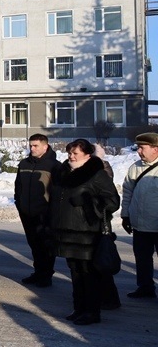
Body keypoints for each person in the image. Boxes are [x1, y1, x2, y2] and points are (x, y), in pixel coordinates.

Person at [51, 139, 121, 325]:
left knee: (88, 274)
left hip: (88, 233)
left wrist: (88, 202)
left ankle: (92, 312)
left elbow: (112, 201)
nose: (71, 156)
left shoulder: (96, 174)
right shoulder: (63, 172)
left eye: (75, 153)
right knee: (75, 272)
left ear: (87, 155)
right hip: (67, 233)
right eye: (69, 153)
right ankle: (79, 308)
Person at [13, 134, 61, 287]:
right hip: (27, 212)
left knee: (46, 245)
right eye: (31, 145)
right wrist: (18, 203)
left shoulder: (54, 166)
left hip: (45, 213)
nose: (32, 148)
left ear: (45, 146)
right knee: (34, 244)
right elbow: (18, 186)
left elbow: (58, 191)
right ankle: (38, 272)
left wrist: (52, 211)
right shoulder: (24, 164)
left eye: (35, 146)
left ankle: (46, 275)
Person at [121, 131, 158, 299]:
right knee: (142, 259)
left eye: (142, 148)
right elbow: (127, 192)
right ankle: (145, 287)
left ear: (155, 149)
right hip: (140, 225)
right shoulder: (135, 167)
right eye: (138, 148)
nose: (139, 151)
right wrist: (125, 216)